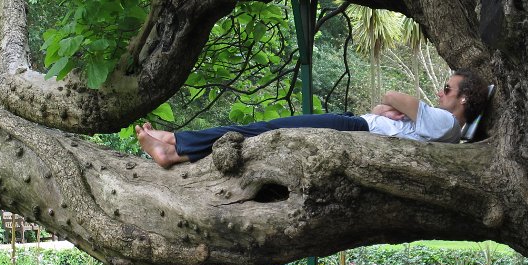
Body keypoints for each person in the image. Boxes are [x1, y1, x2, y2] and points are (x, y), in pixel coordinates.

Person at [136, 69, 490, 169]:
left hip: (355, 128)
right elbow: (394, 109)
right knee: (261, 133)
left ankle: (175, 145)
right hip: (359, 127)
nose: (440, 92)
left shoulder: (447, 124)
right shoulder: (442, 128)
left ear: (464, 99)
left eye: (447, 88)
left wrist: (387, 105)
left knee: (263, 130)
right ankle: (176, 147)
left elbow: (393, 96)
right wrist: (386, 110)